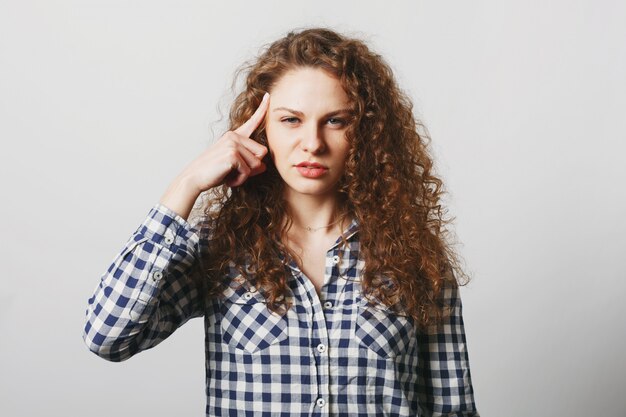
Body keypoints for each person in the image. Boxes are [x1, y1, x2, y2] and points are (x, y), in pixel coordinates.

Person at [83, 27, 479, 417]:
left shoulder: (413, 254)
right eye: (291, 120)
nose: (313, 143)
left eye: (336, 120)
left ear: (367, 132)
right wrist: (186, 185)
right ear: (261, 129)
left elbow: (453, 409)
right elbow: (108, 336)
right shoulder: (220, 247)